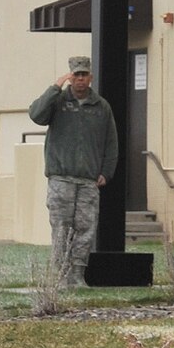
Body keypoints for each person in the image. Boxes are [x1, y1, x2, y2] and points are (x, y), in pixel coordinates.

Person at [29, 55, 119, 286]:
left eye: (84, 75)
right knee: (61, 228)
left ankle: (78, 275)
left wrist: (106, 172)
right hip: (61, 179)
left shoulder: (101, 107)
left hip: (88, 181)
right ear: (70, 77)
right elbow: (36, 115)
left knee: (85, 229)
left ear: (90, 77)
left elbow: (111, 143)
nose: (80, 79)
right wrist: (54, 87)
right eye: (76, 75)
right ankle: (61, 276)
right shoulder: (57, 102)